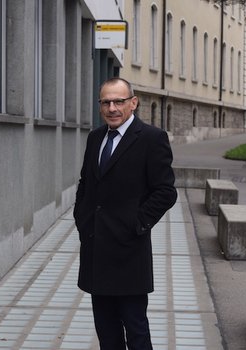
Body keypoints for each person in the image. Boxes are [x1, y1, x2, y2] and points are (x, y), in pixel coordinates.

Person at [73, 77, 177, 349]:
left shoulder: (152, 138)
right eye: (106, 102)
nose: (112, 108)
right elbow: (86, 183)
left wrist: (136, 225)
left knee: (136, 330)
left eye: (119, 101)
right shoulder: (96, 137)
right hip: (96, 250)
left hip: (129, 252)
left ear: (133, 103)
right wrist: (82, 221)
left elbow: (165, 191)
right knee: (106, 332)